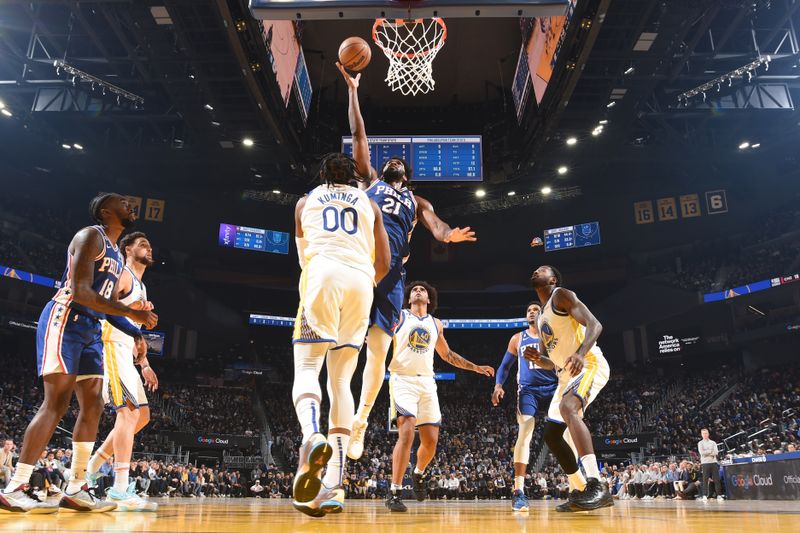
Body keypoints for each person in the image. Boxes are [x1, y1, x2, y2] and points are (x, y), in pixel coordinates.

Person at [336, 63, 477, 461]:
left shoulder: (417, 202)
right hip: (358, 263)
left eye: (399, 161)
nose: (393, 160)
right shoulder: (369, 182)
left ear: (406, 174)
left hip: (392, 273)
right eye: (390, 159)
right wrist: (352, 90)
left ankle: (361, 420)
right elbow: (358, 134)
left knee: (379, 354)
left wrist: (447, 235)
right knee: (347, 346)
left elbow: (436, 224)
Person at [0, 193, 157, 514]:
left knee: (94, 406)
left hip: (91, 329)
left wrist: (136, 332)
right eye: (123, 203)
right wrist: (137, 317)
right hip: (66, 319)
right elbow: (83, 292)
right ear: (105, 211)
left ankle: (76, 487)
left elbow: (108, 309)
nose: (130, 206)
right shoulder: (90, 236)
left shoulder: (115, 251)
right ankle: (16, 485)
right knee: (56, 404)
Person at [291, 153, 390, 517]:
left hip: (324, 273)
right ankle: (334, 485)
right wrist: (365, 282)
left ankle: (311, 435)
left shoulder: (305, 201)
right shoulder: (369, 203)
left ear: (322, 174)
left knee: (307, 365)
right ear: (353, 178)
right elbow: (385, 262)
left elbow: (304, 258)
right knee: (342, 381)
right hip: (361, 282)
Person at [385, 282, 494, 512]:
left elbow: (448, 355)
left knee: (431, 441)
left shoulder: (436, 324)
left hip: (427, 382)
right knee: (406, 434)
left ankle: (419, 473)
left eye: (422, 290)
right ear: (408, 298)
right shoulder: (400, 315)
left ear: (429, 299)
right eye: (414, 289)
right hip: (402, 379)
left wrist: (475, 367)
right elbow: (383, 333)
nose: (417, 290)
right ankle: (394, 491)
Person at [525, 265, 612, 512]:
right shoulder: (542, 317)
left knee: (568, 407)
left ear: (552, 279)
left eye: (541, 269)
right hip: (564, 375)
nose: (535, 271)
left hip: (588, 364)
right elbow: (550, 362)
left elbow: (595, 325)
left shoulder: (561, 295)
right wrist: (536, 357)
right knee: (551, 436)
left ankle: (598, 485)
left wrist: (580, 353)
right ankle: (579, 488)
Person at [85, 231, 159, 511]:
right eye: (142, 244)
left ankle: (91, 468)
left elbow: (137, 333)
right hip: (112, 345)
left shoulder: (141, 285)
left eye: (149, 244)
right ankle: (118, 488)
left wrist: (145, 364)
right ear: (127, 249)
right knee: (127, 414)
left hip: (127, 353)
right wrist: (133, 311)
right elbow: (106, 308)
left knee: (142, 416)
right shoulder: (124, 274)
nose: (147, 248)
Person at [491, 302, 557, 512]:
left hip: (554, 386)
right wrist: (498, 385)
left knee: (566, 432)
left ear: (543, 314)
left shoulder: (551, 334)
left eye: (536, 310)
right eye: (529, 310)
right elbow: (504, 366)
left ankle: (579, 486)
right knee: (525, 429)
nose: (532, 312)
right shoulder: (517, 338)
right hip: (528, 390)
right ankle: (518, 490)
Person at [698, 428, 723, 501]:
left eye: (706, 433)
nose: (705, 435)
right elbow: (702, 453)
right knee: (705, 480)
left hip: (714, 462)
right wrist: (710, 451)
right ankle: (704, 495)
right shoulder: (700, 443)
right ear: (702, 435)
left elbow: (716, 452)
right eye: (703, 433)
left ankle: (719, 495)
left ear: (708, 434)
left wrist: (707, 452)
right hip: (705, 463)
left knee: (716, 479)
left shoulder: (713, 443)